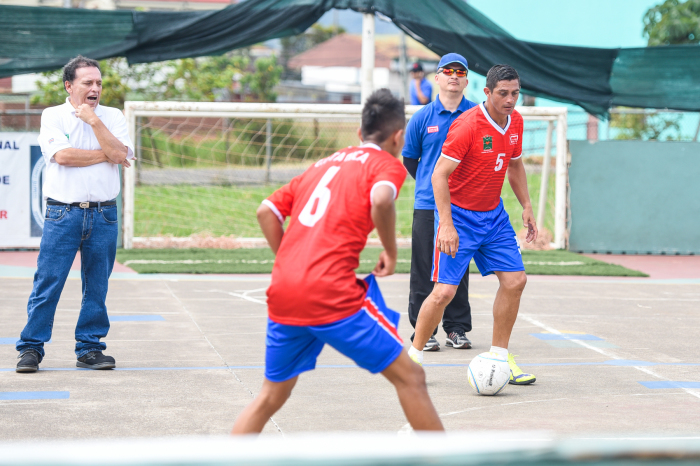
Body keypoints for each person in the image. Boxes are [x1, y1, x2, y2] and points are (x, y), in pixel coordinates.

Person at [231, 89, 444, 434]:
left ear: (360, 134)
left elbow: (266, 211)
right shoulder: (386, 165)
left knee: (270, 396)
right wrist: (390, 251)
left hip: (284, 291)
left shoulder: (320, 166)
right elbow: (380, 201)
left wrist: (289, 260)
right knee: (412, 377)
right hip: (329, 293)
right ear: (399, 137)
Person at [409, 65, 537, 386]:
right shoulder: (468, 125)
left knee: (515, 281)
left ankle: (499, 357)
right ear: (487, 92)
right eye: (503, 93)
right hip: (460, 216)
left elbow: (515, 164)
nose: (510, 100)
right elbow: (438, 175)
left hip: (493, 217)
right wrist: (447, 225)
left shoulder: (516, 122)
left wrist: (527, 206)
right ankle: (412, 359)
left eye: (515, 93)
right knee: (444, 293)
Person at [15, 56, 134, 373]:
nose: (95, 88)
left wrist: (94, 122)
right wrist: (106, 154)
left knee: (97, 287)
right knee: (48, 283)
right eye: (88, 83)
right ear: (70, 86)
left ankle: (90, 349)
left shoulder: (112, 116)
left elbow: (121, 154)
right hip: (62, 213)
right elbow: (63, 156)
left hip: (104, 215)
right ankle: (31, 349)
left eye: (98, 83)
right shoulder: (52, 115)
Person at [403, 53, 477, 352]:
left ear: (466, 80)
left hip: (464, 206)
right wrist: (429, 186)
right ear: (437, 77)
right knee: (423, 269)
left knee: (457, 268)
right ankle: (424, 331)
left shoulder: (476, 115)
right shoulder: (422, 117)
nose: (454, 76)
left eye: (460, 71)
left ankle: (456, 328)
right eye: (448, 71)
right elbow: (411, 159)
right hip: (427, 205)